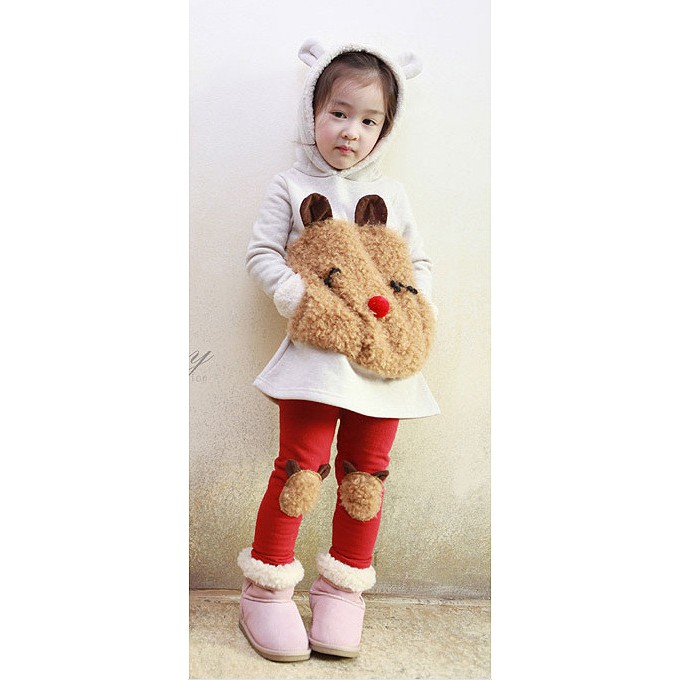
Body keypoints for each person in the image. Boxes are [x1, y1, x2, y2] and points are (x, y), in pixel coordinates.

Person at [238, 38, 440, 662]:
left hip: (385, 361)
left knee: (366, 477)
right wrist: (299, 297)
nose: (352, 131)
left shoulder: (393, 195)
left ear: (385, 128)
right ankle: (266, 587)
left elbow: (418, 263)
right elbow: (262, 252)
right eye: (339, 113)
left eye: (369, 120)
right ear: (314, 111)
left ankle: (343, 589)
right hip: (317, 359)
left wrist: (414, 311)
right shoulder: (291, 184)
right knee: (300, 469)